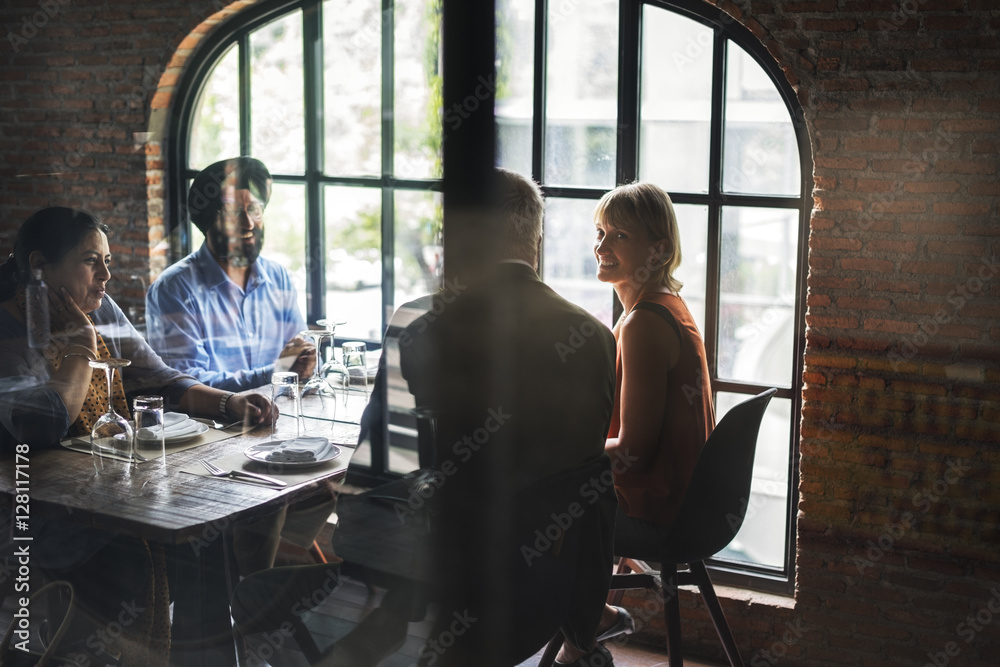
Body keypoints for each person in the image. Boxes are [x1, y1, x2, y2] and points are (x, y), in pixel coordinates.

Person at [0, 206, 277, 664]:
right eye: (92, 261)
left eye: (107, 260)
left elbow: (159, 378)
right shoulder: (6, 331)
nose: (107, 275)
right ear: (38, 266)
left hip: (113, 496)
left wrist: (230, 403)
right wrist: (81, 346)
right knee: (146, 553)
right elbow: (44, 421)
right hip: (40, 521)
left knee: (209, 541)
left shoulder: (99, 306)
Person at [556, 182, 715, 664]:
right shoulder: (666, 306)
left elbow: (632, 452)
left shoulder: (644, 322)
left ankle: (586, 626)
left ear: (660, 248)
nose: (601, 247)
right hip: (693, 502)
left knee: (534, 502)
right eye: (600, 233)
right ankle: (579, 640)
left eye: (619, 235)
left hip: (663, 512)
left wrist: (560, 453)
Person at [145, 156, 315, 392]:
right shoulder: (174, 288)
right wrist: (276, 372)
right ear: (208, 220)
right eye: (233, 212)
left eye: (254, 209)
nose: (248, 224)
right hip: (211, 426)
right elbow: (185, 385)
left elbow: (300, 353)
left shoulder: (279, 278)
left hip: (280, 415)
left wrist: (304, 364)